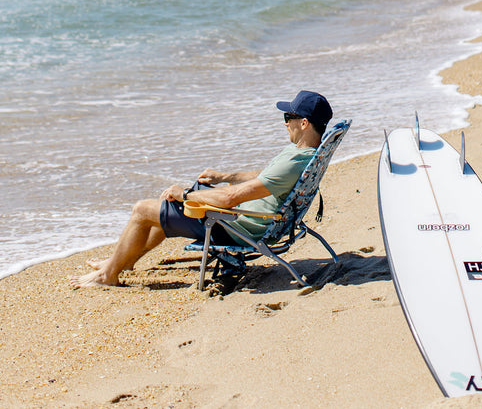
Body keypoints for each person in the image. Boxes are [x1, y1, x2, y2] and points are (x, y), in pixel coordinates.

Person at [69, 90, 333, 288]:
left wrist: (186, 196)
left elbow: (231, 197)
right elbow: (266, 178)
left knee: (143, 210)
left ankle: (108, 276)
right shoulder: (305, 154)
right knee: (168, 207)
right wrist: (224, 176)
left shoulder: (293, 161)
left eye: (289, 117)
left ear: (304, 123)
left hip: (237, 226)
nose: (284, 122)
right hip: (247, 217)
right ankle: (121, 261)